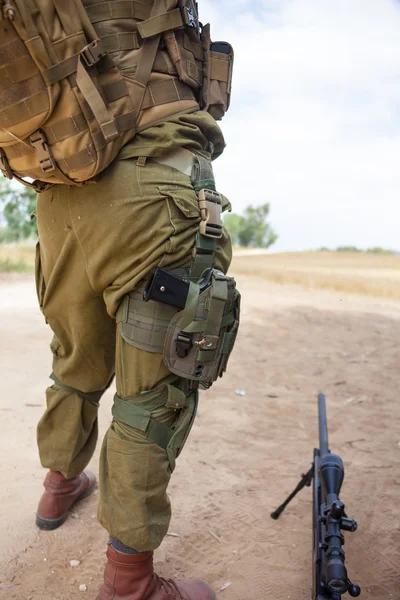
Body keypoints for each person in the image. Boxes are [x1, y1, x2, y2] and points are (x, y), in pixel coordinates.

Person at [31, 12, 234, 600]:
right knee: (152, 394)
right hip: (152, 193)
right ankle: (130, 582)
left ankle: (59, 483)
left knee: (75, 356)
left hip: (60, 198)